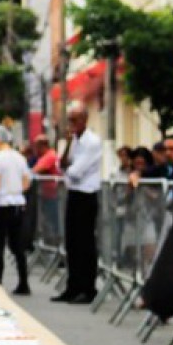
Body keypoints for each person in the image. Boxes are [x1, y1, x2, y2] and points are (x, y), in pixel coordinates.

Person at [54, 102, 103, 303]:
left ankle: (87, 288)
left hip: (86, 194)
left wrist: (67, 168)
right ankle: (72, 286)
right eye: (69, 119)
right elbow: (61, 165)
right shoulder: (73, 140)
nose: (71, 124)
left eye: (74, 119)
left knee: (85, 243)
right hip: (73, 193)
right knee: (71, 243)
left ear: (84, 119)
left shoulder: (92, 142)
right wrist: (66, 146)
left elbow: (75, 172)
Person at [0, 126, 32, 295]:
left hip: (2, 203)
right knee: (18, 246)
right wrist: (16, 189)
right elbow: (26, 182)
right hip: (18, 203)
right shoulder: (20, 158)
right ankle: (24, 282)